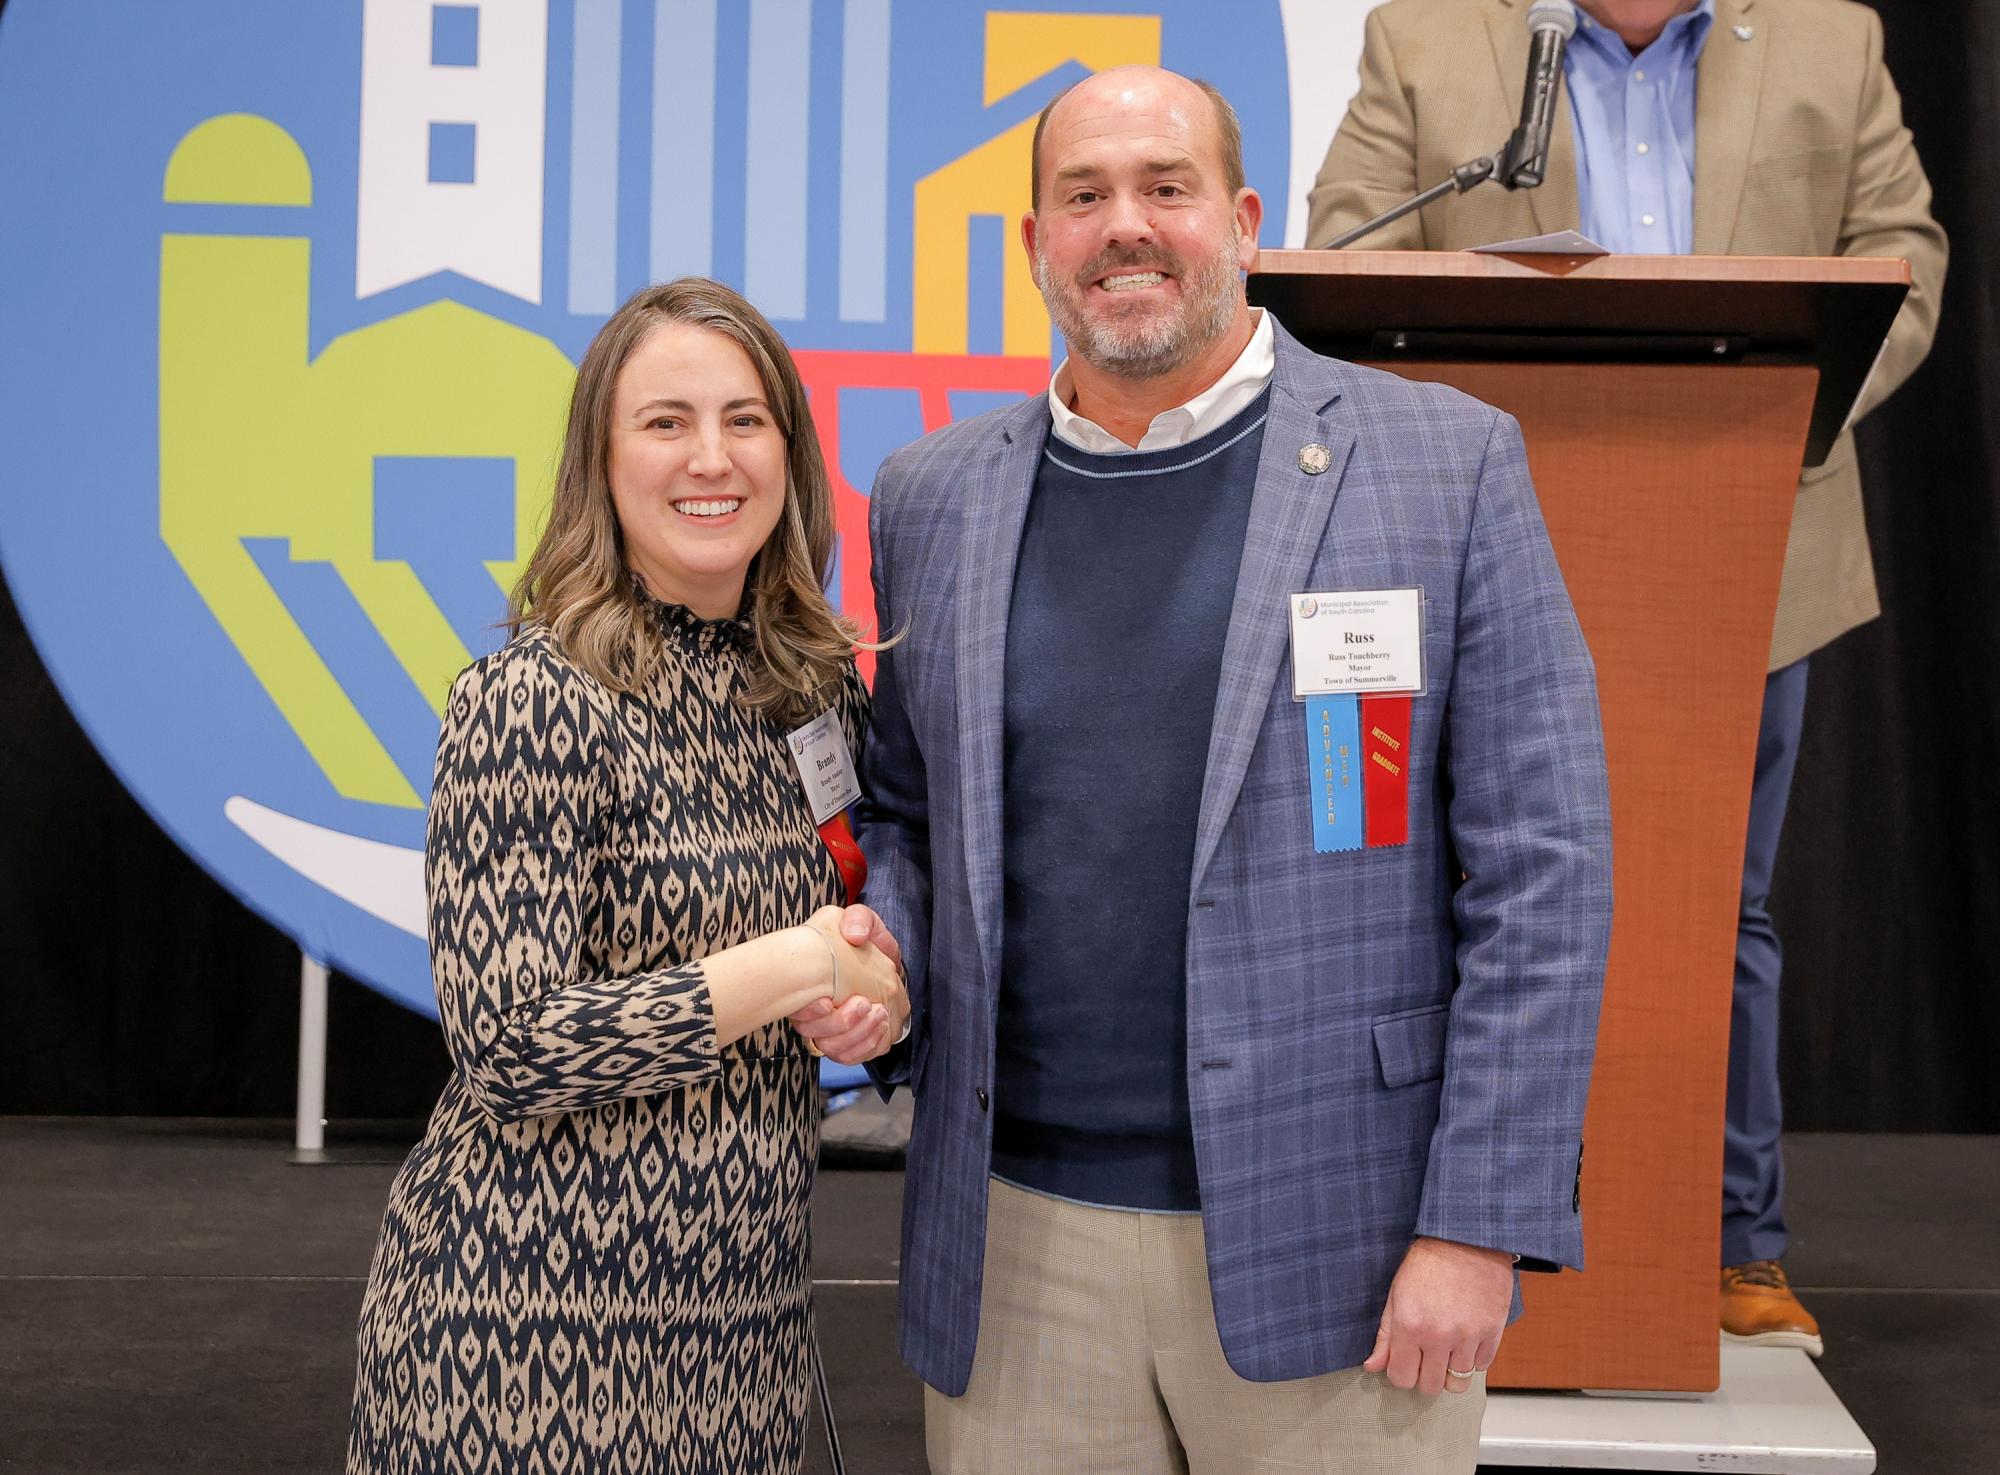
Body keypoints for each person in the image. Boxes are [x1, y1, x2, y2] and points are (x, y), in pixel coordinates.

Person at [828, 65, 1612, 1473]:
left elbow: (1542, 874)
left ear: (1243, 222)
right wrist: (885, 953)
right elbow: (908, 812)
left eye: (1165, 187)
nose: (1124, 225)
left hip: (1347, 1240)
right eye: (1084, 196)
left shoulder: (1444, 463)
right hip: (1016, 1249)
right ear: (1035, 245)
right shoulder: (930, 495)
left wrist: (1478, 1219)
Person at [1306, 0, 1947, 1359]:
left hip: (1745, 535)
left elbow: (1905, 260)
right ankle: (1408, 1223)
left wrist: (1782, 410)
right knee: (1436, 889)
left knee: (1718, 900)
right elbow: (1348, 253)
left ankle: (1732, 1241)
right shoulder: (1428, 39)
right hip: (1475, 539)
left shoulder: (1830, 40)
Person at [346, 277, 909, 1475]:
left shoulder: (811, 688)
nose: (711, 457)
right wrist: (792, 963)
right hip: (524, 1330)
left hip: (741, 1331)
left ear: (790, 453)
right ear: (601, 462)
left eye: (745, 419)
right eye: (665, 422)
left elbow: (860, 911)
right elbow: (509, 1047)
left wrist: (870, 999)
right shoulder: (529, 699)